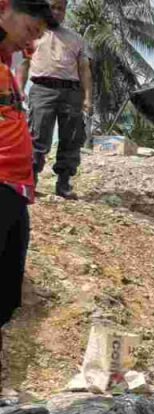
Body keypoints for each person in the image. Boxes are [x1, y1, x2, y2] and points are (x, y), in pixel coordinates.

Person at [0, 0, 54, 389]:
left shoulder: (7, 65)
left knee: (6, 295)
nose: (33, 39)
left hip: (14, 192)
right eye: (32, 27)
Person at [17, 0, 90, 199]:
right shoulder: (33, 34)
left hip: (71, 92)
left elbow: (84, 69)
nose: (56, 12)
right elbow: (24, 64)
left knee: (71, 138)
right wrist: (19, 90)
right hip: (42, 89)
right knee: (37, 137)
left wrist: (88, 98)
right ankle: (31, 181)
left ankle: (64, 184)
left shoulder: (76, 39)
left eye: (61, 9)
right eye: (53, 7)